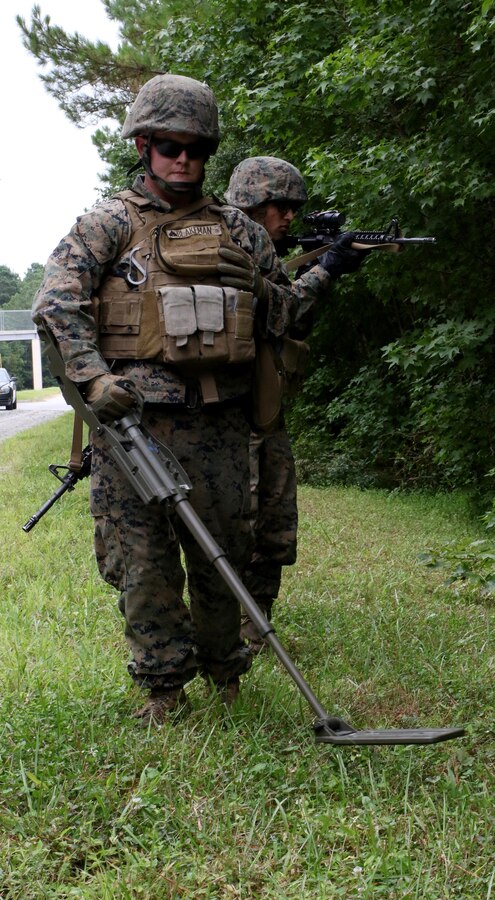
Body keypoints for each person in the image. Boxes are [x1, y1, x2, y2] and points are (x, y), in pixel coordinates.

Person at [32, 75, 306, 724]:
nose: (181, 158)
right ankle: (164, 689)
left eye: (194, 147)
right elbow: (57, 303)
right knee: (145, 567)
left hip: (219, 427)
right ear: (144, 145)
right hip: (135, 429)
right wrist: (95, 378)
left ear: (208, 150)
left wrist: (263, 292)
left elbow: (293, 316)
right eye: (167, 145)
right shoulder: (107, 224)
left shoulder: (241, 231)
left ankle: (225, 672)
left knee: (221, 563)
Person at [224, 156, 367, 651]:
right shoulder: (231, 244)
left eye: (293, 208)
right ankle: (229, 627)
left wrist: (321, 264)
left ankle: (256, 623)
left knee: (276, 523)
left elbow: (292, 324)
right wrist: (326, 271)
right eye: (279, 206)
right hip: (231, 410)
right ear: (251, 204)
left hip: (266, 410)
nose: (288, 217)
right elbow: (274, 314)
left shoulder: (268, 253)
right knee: (240, 520)